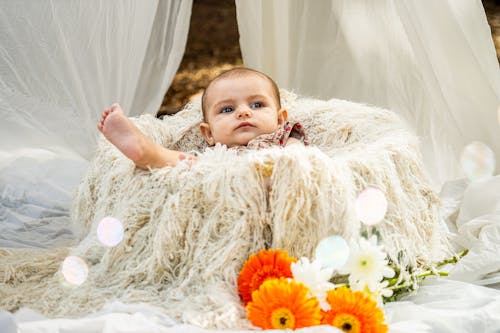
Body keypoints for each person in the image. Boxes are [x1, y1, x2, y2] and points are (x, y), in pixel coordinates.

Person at [97, 68, 308, 169]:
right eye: (227, 109)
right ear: (208, 133)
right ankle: (146, 152)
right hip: (222, 173)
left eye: (257, 105)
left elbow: (301, 158)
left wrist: (289, 159)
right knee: (186, 164)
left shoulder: (285, 136)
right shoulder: (216, 154)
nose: (243, 112)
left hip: (270, 173)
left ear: (280, 120)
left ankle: (146, 151)